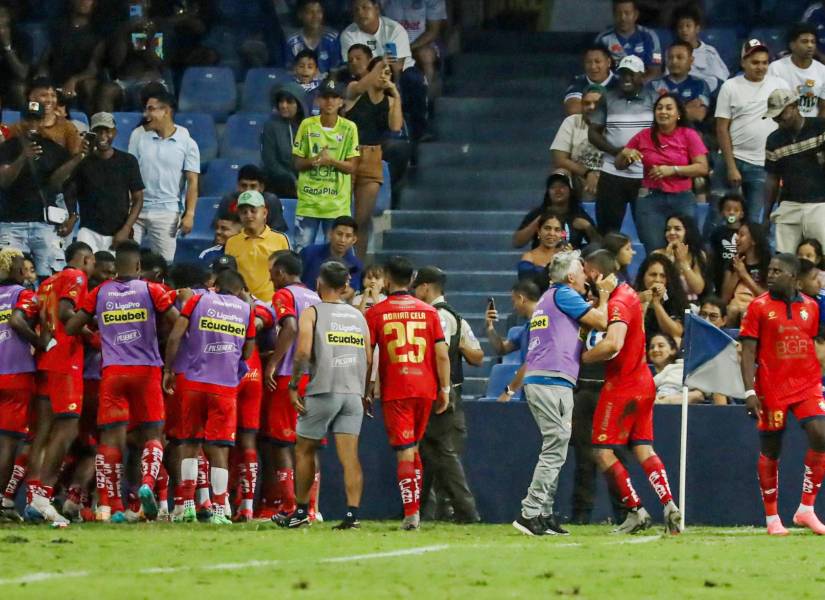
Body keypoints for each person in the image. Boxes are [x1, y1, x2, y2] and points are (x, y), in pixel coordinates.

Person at [64, 240, 178, 523]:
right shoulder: (152, 290)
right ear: (139, 266)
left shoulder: (100, 292)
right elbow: (177, 321)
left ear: (115, 266)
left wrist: (101, 333)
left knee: (111, 438)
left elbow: (71, 326)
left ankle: (108, 505)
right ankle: (146, 487)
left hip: (113, 371)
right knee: (153, 434)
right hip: (147, 369)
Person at [512, 251, 616, 536]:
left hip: (556, 379)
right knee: (556, 443)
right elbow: (602, 321)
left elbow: (575, 333)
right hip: (549, 379)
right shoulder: (563, 293)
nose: (586, 277)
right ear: (571, 277)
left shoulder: (551, 297)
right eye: (582, 272)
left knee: (555, 446)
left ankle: (544, 514)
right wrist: (605, 298)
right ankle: (529, 512)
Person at [582, 249, 683, 535]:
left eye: (588, 273)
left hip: (622, 386)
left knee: (602, 451)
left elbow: (613, 343)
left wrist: (582, 358)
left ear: (596, 274)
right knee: (643, 447)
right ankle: (669, 505)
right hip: (644, 381)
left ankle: (635, 510)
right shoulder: (628, 293)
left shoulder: (617, 303)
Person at [277, 260, 371, 529]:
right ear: (345, 286)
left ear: (319, 282)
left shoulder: (312, 312)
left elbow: (304, 352)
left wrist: (295, 385)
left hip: (324, 388)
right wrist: (364, 392)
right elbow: (367, 356)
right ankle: (352, 515)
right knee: (350, 456)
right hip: (353, 391)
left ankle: (301, 512)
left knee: (305, 448)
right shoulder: (358, 315)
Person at [740, 253, 825, 535]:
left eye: (778, 270)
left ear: (793, 278)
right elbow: (748, 351)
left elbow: (814, 343)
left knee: (821, 435)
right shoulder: (758, 307)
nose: (771, 274)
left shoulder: (812, 308)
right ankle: (772, 517)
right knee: (771, 450)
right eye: (770, 269)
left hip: (807, 383)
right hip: (772, 387)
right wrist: (750, 389)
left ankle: (806, 509)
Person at [163, 268, 256, 525]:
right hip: (224, 388)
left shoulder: (198, 300)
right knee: (218, 449)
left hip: (193, 383)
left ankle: (187, 506)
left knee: (190, 444)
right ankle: (218, 511)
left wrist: (169, 369)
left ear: (215, 285)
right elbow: (248, 351)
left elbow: (175, 336)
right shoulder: (247, 309)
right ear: (239, 290)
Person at [365, 255, 450, 530]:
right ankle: (415, 511)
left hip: (396, 389)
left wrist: (367, 389)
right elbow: (442, 354)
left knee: (405, 450)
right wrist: (445, 388)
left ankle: (411, 514)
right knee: (412, 448)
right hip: (425, 388)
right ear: (413, 280)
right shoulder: (429, 312)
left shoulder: (376, 313)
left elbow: (368, 356)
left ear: (387, 279)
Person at [24, 241, 95, 525]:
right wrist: (93, 336)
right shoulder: (75, 277)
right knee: (66, 429)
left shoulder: (47, 282)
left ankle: (32, 498)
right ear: (86, 260)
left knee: (42, 433)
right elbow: (67, 314)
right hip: (66, 360)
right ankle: (43, 496)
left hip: (45, 359)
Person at [412, 266, 483, 524]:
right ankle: (420, 509)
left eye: (418, 287)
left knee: (441, 451)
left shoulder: (434, 315)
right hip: (453, 390)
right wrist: (459, 344)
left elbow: (437, 353)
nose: (416, 292)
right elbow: (478, 355)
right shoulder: (457, 317)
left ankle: (465, 510)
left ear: (427, 287)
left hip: (439, 390)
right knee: (430, 452)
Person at [260, 251, 321, 519]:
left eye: (273, 273)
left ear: (283, 273)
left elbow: (291, 327)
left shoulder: (285, 295)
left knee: (282, 444)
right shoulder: (317, 298)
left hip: (289, 376)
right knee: (308, 444)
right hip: (315, 378)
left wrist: (273, 362)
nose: (271, 278)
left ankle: (289, 507)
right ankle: (313, 509)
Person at [615, 93, 709, 254]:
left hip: (682, 198)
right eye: (659, 108)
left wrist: (673, 170)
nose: (663, 112)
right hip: (651, 200)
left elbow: (702, 167)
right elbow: (619, 165)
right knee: (655, 251)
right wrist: (625, 154)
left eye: (668, 108)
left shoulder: (689, 135)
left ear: (678, 114)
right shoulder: (643, 136)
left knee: (686, 249)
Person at [712, 39, 786, 231]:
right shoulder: (730, 86)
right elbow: (721, 128)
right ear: (743, 62)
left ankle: (749, 260)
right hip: (731, 160)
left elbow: (787, 121)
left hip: (762, 164)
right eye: (755, 62)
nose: (760, 67)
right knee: (718, 219)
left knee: (753, 222)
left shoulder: (780, 85)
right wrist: (731, 166)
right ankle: (711, 259)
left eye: (764, 62)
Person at [49, 112, 144, 253]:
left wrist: (126, 228)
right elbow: (68, 190)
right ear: (91, 134)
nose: (103, 136)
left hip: (118, 231)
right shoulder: (82, 162)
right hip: (89, 230)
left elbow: (138, 198)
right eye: (98, 132)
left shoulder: (128, 161)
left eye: (107, 131)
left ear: (115, 132)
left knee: (114, 273)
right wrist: (73, 215)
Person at [0, 100, 74, 278]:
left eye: (36, 119)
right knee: (8, 277)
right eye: (28, 119)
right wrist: (23, 157)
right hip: (12, 223)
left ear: (42, 121)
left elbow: (63, 186)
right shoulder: (7, 148)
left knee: (50, 277)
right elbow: (4, 181)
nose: (32, 124)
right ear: (21, 120)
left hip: (44, 225)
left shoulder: (55, 149)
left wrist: (73, 215)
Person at [128, 89, 200, 262]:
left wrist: (189, 214)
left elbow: (192, 182)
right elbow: (129, 172)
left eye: (151, 109)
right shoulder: (138, 135)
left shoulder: (188, 142)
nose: (146, 114)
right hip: (136, 208)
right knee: (128, 260)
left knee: (164, 264)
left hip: (167, 211)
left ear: (166, 111)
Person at [340, 0, 428, 140]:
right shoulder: (349, 34)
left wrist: (390, 87)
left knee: (413, 78)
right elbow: (356, 67)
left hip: (396, 74)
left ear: (377, 9)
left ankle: (419, 131)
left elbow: (397, 66)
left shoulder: (394, 29)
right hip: (367, 77)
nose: (360, 13)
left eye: (365, 8)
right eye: (356, 10)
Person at [588, 55, 656, 236]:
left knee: (650, 232)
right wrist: (616, 151)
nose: (626, 78)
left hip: (645, 174)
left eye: (631, 74)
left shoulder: (654, 98)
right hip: (612, 173)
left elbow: (672, 125)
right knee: (607, 231)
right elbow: (593, 133)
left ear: (642, 76)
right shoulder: (607, 98)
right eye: (623, 74)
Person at [344, 55, 403, 257]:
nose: (383, 76)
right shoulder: (355, 90)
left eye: (388, 73)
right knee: (343, 217)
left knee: (362, 219)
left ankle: (357, 268)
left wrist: (396, 94)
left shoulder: (389, 100)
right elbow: (359, 88)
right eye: (380, 71)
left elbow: (395, 127)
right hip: (348, 154)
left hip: (373, 157)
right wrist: (378, 66)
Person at [292, 78, 360, 252]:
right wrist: (315, 160)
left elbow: (352, 167)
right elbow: (297, 163)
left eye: (335, 97)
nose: (330, 101)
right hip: (309, 202)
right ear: (318, 100)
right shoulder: (307, 126)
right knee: (301, 253)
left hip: (337, 205)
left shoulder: (349, 128)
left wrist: (330, 161)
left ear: (341, 101)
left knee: (340, 254)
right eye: (326, 97)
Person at [0, 248, 41, 523]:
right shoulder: (23, 295)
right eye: (22, 268)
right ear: (16, 270)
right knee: (8, 444)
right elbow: (17, 321)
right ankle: (2, 503)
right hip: (16, 374)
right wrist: (43, 344)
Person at [764, 89, 825, 253]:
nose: (778, 120)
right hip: (789, 204)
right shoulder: (773, 140)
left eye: (781, 114)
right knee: (784, 259)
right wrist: (766, 215)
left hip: (820, 203)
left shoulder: (820, 127)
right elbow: (772, 178)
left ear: (795, 106)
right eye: (774, 117)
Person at [37, 0, 105, 113]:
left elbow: (93, 68)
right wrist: (43, 77)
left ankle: (90, 126)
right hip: (55, 77)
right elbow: (45, 57)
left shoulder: (97, 34)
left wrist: (74, 80)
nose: (83, 2)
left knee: (89, 86)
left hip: (80, 81)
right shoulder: (58, 28)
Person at [224, 191, 291, 301]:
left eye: (253, 211)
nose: (248, 215)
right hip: (242, 302)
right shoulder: (232, 242)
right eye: (243, 212)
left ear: (264, 213)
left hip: (271, 302)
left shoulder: (280, 239)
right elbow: (230, 276)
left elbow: (288, 274)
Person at [513, 171, 598, 252]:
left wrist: (588, 227)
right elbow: (517, 242)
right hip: (541, 264)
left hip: (571, 263)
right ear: (548, 192)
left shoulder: (579, 213)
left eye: (562, 187)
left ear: (570, 190)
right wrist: (538, 222)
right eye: (553, 187)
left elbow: (598, 245)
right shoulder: (538, 213)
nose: (558, 190)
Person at [381, 0, 447, 97]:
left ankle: (427, 100)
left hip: (421, 44)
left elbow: (433, 31)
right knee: (392, 56)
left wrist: (408, 48)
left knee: (426, 55)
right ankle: (397, 96)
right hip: (391, 42)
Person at [551, 85, 604, 199]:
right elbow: (559, 160)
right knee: (560, 173)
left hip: (610, 178)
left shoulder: (617, 123)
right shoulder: (571, 122)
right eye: (587, 103)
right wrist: (588, 173)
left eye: (596, 103)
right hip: (579, 177)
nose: (591, 107)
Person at [7, 78, 82, 155]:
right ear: (31, 97)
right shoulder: (20, 126)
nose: (49, 100)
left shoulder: (67, 127)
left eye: (53, 95)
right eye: (44, 95)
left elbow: (76, 156)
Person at [262, 83, 309, 199]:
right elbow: (270, 162)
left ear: (299, 104)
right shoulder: (271, 126)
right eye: (281, 101)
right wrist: (292, 180)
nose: (283, 105)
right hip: (280, 182)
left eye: (289, 102)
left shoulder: (311, 126)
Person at [767, 23, 825, 118]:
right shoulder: (775, 68)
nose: (810, 45)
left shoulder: (823, 71)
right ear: (792, 45)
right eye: (804, 41)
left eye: (813, 42)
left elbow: (824, 108)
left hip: (812, 128)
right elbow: (770, 105)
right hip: (782, 127)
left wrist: (817, 129)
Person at [300, 215, 363, 301]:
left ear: (354, 240)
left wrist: (326, 303)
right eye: (339, 234)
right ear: (330, 234)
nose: (342, 240)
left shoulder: (356, 265)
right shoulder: (308, 253)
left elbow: (350, 291)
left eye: (348, 236)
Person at [595, 0, 662, 81]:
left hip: (642, 87)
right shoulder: (603, 39)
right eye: (618, 14)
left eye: (627, 13)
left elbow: (656, 71)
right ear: (613, 15)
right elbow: (597, 71)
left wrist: (637, 86)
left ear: (636, 15)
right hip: (613, 87)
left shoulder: (650, 36)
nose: (623, 18)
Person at [670, 3, 729, 93]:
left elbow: (721, 79)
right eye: (680, 27)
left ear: (697, 28)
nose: (684, 30)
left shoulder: (709, 52)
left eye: (688, 26)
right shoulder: (672, 52)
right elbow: (669, 79)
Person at [649, 42, 711, 127]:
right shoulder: (653, 85)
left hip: (690, 135)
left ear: (691, 60)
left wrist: (667, 114)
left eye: (679, 57)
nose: (674, 61)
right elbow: (651, 117)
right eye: (670, 57)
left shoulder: (700, 84)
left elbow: (698, 115)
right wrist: (685, 111)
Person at [721, 222, 771, 327]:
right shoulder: (733, 263)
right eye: (737, 234)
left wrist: (744, 275)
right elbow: (724, 298)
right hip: (734, 306)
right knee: (732, 310)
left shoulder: (767, 264)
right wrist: (737, 273)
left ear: (754, 240)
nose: (736, 238)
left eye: (742, 235)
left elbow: (767, 298)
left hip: (758, 307)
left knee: (746, 312)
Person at [214, 164, 287, 234]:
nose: (248, 190)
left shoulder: (271, 201)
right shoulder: (228, 199)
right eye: (244, 185)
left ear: (261, 188)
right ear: (238, 186)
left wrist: (242, 228)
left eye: (253, 186)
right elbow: (218, 226)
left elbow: (278, 230)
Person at [634, 253, 688, 340]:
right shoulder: (632, 296)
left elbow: (677, 333)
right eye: (653, 275)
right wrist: (640, 301)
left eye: (663, 276)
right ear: (643, 276)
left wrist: (657, 303)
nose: (657, 280)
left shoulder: (675, 299)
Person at [653, 214, 708, 299]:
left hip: (692, 305)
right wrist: (668, 259)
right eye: (668, 229)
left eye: (677, 229)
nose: (671, 232)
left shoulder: (697, 255)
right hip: (666, 303)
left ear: (688, 231)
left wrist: (683, 262)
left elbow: (698, 289)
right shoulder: (657, 254)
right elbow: (658, 285)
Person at [517, 210, 571, 293]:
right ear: (538, 231)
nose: (552, 233)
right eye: (547, 228)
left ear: (561, 234)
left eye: (557, 230)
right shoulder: (529, 257)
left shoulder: (566, 256)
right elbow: (528, 290)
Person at [284, 0, 341, 77]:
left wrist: (330, 84)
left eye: (318, 12)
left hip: (326, 85)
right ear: (300, 15)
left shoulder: (332, 38)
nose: (315, 16)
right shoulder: (292, 41)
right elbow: (289, 70)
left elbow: (336, 69)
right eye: (310, 12)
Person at [648, 333, 704, 404]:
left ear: (673, 350)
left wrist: (669, 400)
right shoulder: (666, 371)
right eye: (651, 347)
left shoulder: (693, 370)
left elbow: (698, 395)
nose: (655, 349)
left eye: (661, 346)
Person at [708, 193, 747, 293]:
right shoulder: (717, 232)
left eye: (736, 210)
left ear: (742, 214)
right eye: (728, 209)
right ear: (722, 212)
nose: (731, 213)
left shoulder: (746, 233)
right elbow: (713, 253)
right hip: (720, 273)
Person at [563, 45, 615, 116]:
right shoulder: (578, 81)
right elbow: (573, 111)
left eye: (597, 61)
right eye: (588, 62)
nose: (593, 67)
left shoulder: (620, 81)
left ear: (608, 62)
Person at [0, 3, 32, 110]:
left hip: (12, 83)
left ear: (8, 18)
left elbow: (22, 73)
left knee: (19, 88)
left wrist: (7, 47)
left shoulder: (21, 37)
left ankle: (26, 123)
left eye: (2, 15)